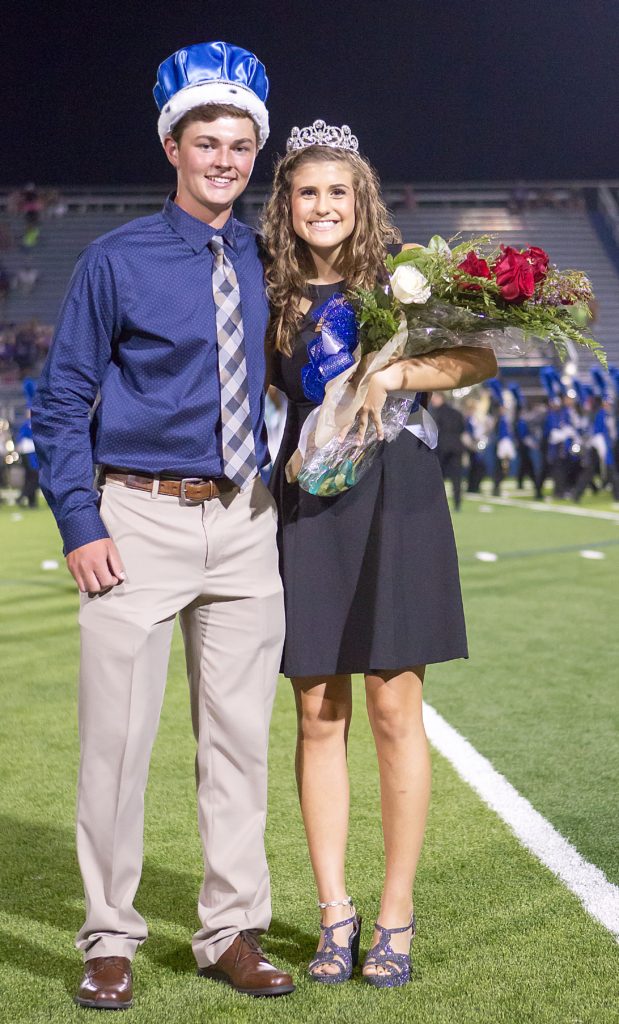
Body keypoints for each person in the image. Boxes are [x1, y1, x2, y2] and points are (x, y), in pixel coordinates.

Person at [31, 41, 294, 1008]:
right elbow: (61, 402)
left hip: (244, 521)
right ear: (173, 147)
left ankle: (231, 928)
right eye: (207, 141)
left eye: (240, 144)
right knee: (116, 747)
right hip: (134, 519)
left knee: (236, 746)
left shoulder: (273, 260)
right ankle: (110, 936)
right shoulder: (114, 258)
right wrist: (79, 522)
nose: (225, 159)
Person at [263, 122, 497, 987]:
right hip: (310, 499)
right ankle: (335, 913)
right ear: (285, 205)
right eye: (306, 192)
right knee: (317, 710)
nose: (322, 206)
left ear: (360, 200)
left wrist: (396, 375)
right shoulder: (266, 289)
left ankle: (394, 913)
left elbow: (477, 358)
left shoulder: (406, 282)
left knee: (395, 707)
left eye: (337, 191)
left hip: (396, 493)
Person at [430, 392, 466, 511]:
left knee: (438, 478)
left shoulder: (436, 413)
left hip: (442, 448)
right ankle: (457, 504)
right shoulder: (456, 413)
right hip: (457, 447)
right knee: (457, 478)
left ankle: (437, 503)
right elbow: (462, 429)